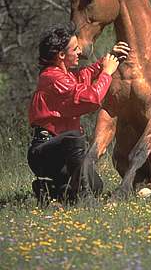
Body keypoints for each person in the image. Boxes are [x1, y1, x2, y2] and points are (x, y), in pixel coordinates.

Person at [27, 24, 130, 202]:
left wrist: (110, 57)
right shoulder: (52, 78)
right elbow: (90, 99)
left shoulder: (65, 75)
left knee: (96, 185)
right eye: (75, 49)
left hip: (64, 156)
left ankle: (50, 190)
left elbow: (85, 74)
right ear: (61, 55)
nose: (80, 51)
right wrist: (107, 72)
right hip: (45, 152)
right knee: (73, 138)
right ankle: (86, 199)